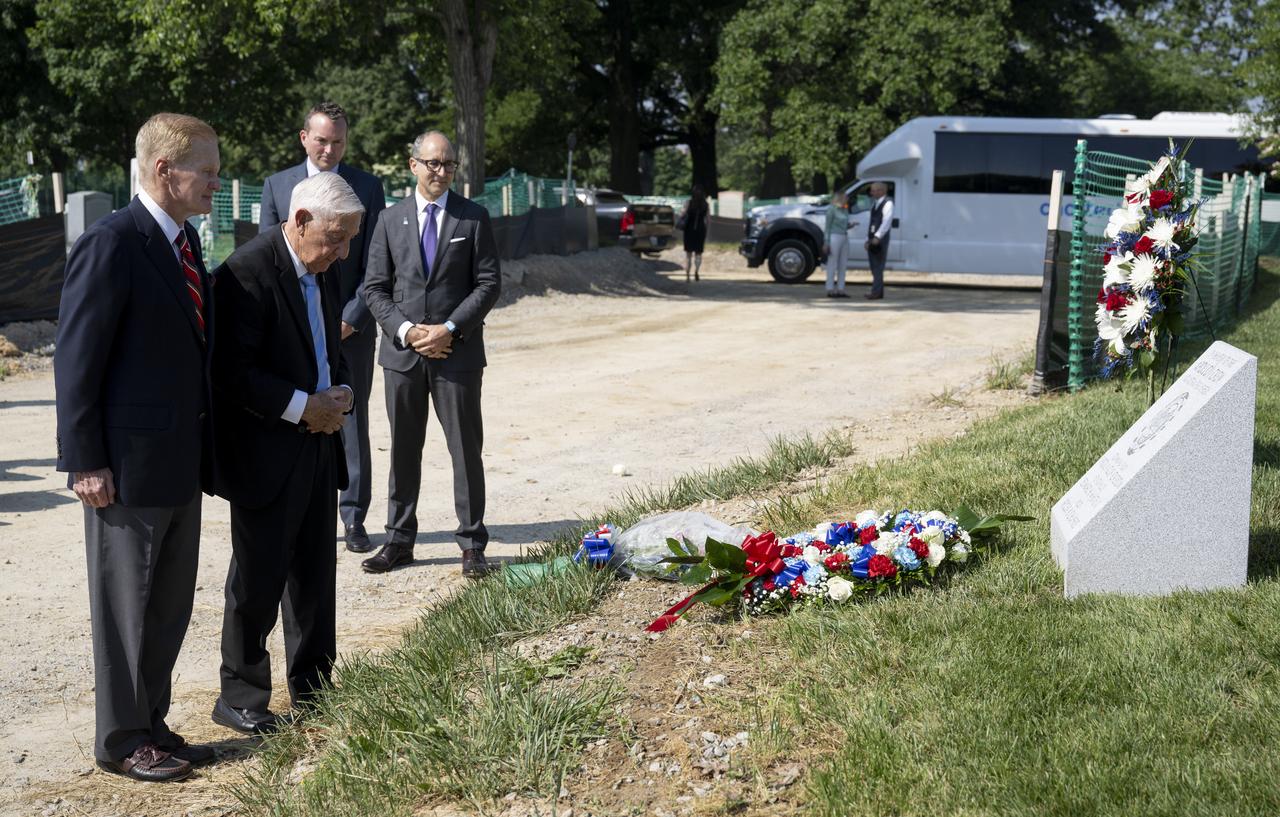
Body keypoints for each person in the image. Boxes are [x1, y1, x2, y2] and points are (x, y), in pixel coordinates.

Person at [54, 112, 220, 782]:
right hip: (125, 468)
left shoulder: (185, 243)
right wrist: (84, 458)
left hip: (178, 461)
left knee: (166, 606)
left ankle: (152, 723)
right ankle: (121, 739)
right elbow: (76, 357)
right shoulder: (113, 242)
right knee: (127, 609)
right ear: (163, 170)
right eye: (205, 171)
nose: (215, 182)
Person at [209, 172, 362, 735]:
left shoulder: (325, 264)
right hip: (267, 451)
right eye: (337, 238)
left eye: (348, 239)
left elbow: (331, 345)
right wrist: (303, 406)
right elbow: (231, 373)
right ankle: (241, 696)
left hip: (320, 443)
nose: (343, 251)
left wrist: (341, 391)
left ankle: (315, 689)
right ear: (300, 222)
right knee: (258, 579)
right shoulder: (244, 274)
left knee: (315, 577)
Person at [362, 130, 501, 578]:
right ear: (413, 165)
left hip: (455, 356)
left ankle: (472, 545)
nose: (441, 172)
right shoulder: (388, 219)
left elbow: (488, 283)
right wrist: (405, 330)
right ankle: (399, 541)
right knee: (403, 449)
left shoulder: (473, 218)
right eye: (433, 163)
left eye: (448, 165)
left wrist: (450, 330)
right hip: (402, 356)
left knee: (465, 449)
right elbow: (375, 288)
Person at [259, 102, 386, 555]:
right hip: (293, 328)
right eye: (322, 139)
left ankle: (353, 516)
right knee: (297, 411)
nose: (329, 148)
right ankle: (298, 505)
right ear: (304, 138)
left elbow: (373, 262)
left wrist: (349, 319)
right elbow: (267, 258)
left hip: (350, 326)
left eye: (338, 141)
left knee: (351, 417)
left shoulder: (369, 187)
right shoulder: (277, 186)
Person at [864, 182, 893, 300]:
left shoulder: (888, 203)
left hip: (880, 238)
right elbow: (871, 223)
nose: (871, 193)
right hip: (873, 237)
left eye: (874, 190)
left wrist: (877, 237)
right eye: (872, 190)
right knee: (874, 265)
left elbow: (886, 222)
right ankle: (878, 291)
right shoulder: (874, 204)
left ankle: (876, 292)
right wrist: (868, 240)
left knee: (878, 265)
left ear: (882, 191)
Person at [823, 190, 851, 298]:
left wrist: (849, 225)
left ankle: (841, 289)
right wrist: (826, 242)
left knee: (843, 264)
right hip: (834, 237)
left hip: (844, 236)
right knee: (832, 264)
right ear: (840, 198)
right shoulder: (831, 210)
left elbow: (844, 224)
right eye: (845, 198)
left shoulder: (845, 209)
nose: (847, 199)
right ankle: (830, 288)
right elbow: (827, 227)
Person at [680, 185, 710, 282]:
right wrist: (706, 231)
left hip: (689, 229)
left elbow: (683, 214)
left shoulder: (688, 203)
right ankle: (696, 271)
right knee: (698, 253)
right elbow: (708, 220)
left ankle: (687, 275)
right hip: (700, 230)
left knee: (688, 254)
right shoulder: (706, 204)